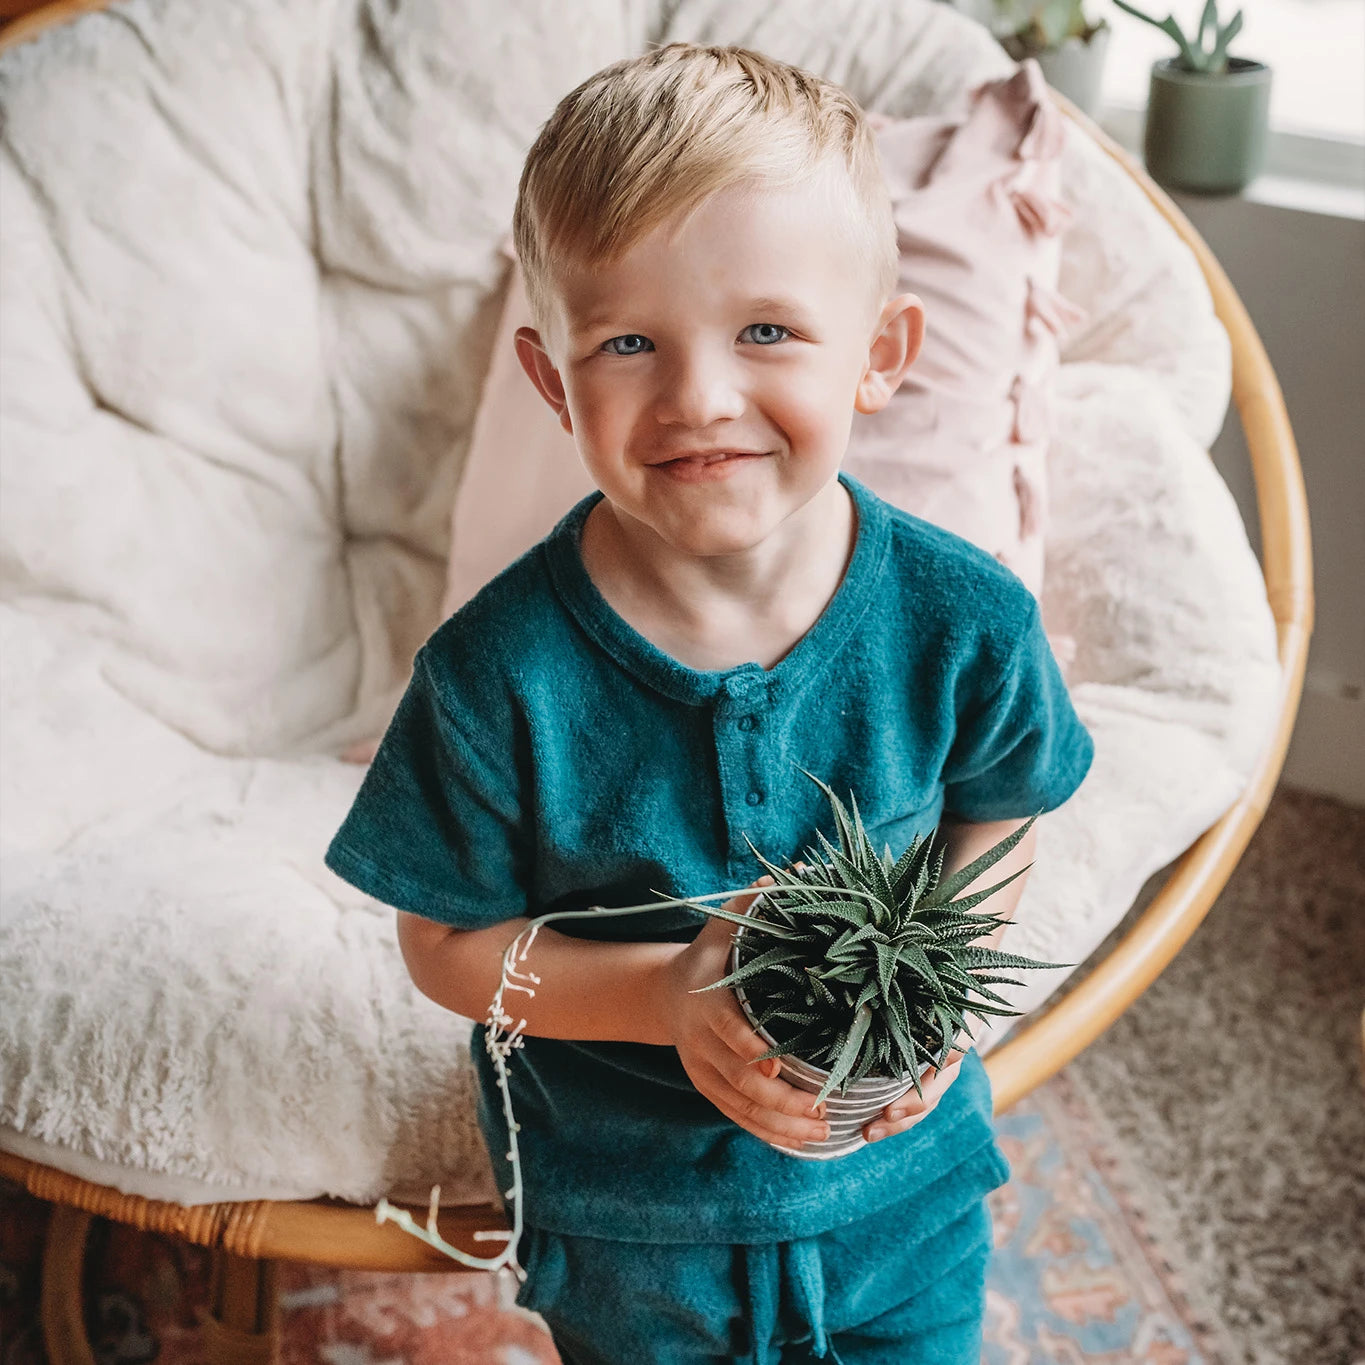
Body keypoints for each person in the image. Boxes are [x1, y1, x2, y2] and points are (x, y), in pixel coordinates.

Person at [324, 40, 1094, 1365]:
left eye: (767, 331)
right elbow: (444, 947)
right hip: (632, 1233)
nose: (697, 395)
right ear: (553, 380)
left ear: (880, 353)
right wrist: (658, 1002)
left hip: (905, 1207)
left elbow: (1001, 815)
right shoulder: (491, 675)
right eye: (628, 340)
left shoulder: (965, 620)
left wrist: (948, 998)